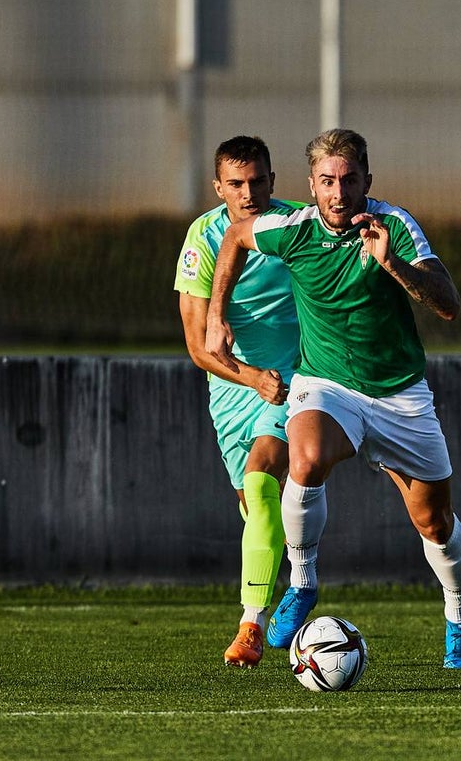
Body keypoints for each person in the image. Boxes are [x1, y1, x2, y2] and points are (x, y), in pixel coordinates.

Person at [204, 128, 461, 668]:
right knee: (303, 459)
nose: (338, 192)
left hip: (400, 395)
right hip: (327, 386)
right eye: (327, 181)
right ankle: (303, 584)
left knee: (435, 523)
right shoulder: (295, 229)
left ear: (366, 182)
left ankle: (460, 614)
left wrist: (393, 265)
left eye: (349, 180)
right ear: (311, 185)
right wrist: (217, 314)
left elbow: (448, 305)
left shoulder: (394, 226)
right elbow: (236, 236)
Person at [174, 135, 303, 668]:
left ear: (273, 180)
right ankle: (296, 576)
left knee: (261, 478)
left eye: (258, 181)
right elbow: (198, 348)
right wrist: (251, 378)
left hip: (298, 377)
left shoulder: (300, 224)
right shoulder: (202, 238)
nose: (248, 193)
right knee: (254, 507)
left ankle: (250, 626)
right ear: (218, 187)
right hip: (235, 387)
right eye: (236, 183)